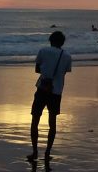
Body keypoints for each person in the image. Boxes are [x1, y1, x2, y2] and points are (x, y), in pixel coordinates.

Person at [29, 30, 73, 163]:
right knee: (52, 123)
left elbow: (37, 69)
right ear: (62, 42)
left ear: (51, 40)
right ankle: (47, 152)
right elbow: (64, 72)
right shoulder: (67, 56)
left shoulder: (43, 51)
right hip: (56, 92)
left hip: (42, 89)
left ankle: (35, 151)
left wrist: (46, 70)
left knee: (35, 120)